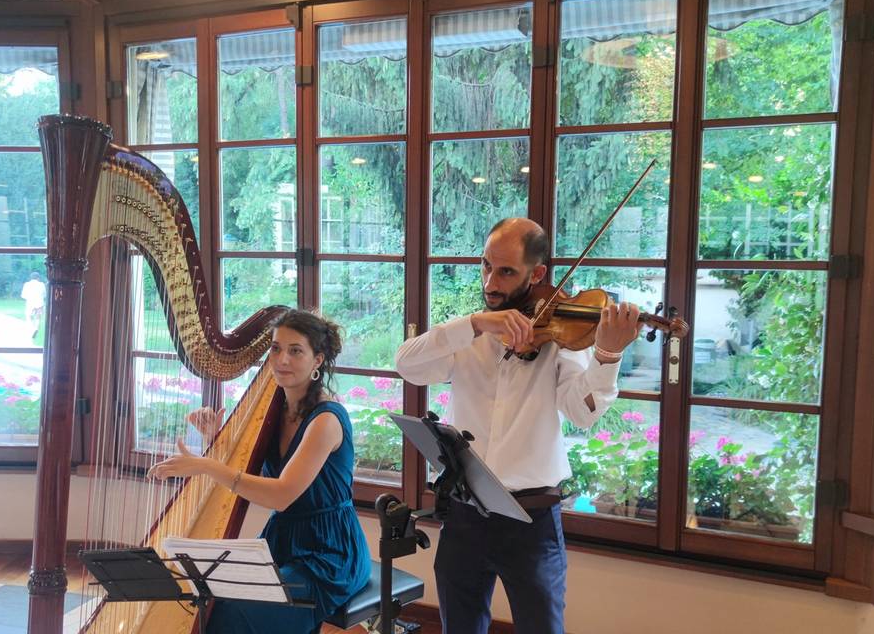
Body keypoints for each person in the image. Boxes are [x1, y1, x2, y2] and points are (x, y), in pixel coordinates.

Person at [395, 218, 644, 634]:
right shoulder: (468, 334)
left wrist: (607, 356)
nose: (491, 282)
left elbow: (583, 413)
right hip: (465, 513)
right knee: (458, 626)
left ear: (538, 274)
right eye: (486, 266)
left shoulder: (561, 334)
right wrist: (474, 324)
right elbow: (407, 364)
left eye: (507, 272)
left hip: (531, 519)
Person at [149, 309, 371, 634]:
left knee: (235, 615)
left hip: (328, 552)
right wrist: (215, 439)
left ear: (318, 360)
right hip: (281, 540)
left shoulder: (326, 421)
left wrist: (208, 465)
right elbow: (245, 468)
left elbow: (281, 495)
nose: (281, 359)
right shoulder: (272, 411)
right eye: (276, 348)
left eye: (295, 351)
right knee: (209, 601)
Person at [20, 271, 46, 339]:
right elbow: (44, 295)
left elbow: (23, 295)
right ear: (38, 278)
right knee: (38, 318)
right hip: (40, 303)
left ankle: (32, 329)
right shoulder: (42, 284)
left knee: (29, 317)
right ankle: (36, 328)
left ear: (31, 278)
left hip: (30, 303)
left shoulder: (27, 284)